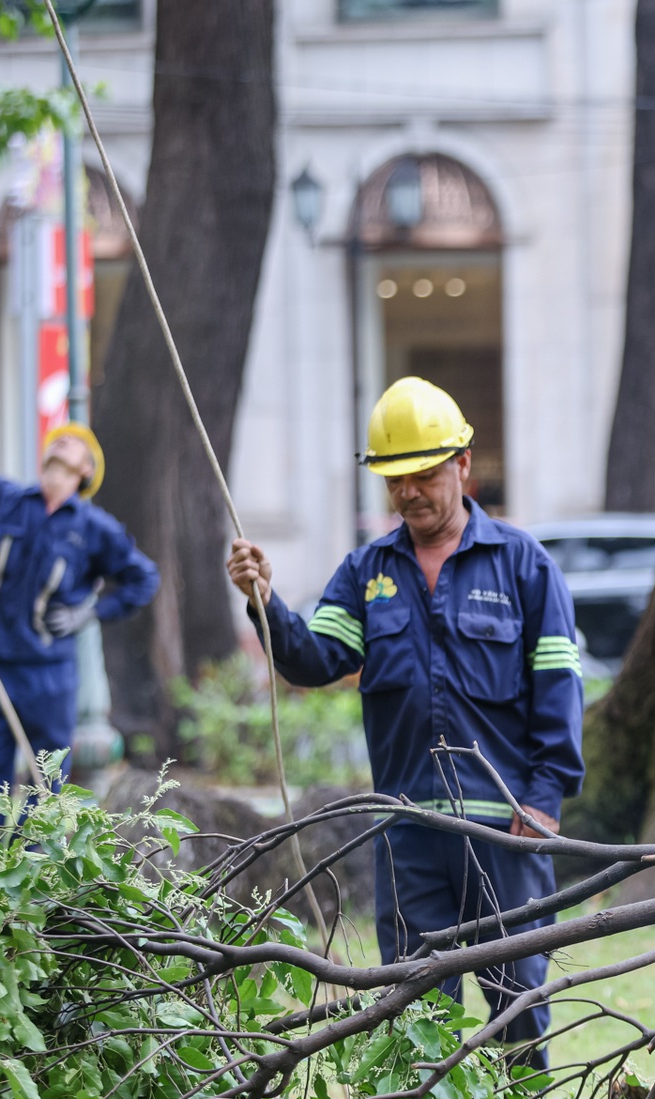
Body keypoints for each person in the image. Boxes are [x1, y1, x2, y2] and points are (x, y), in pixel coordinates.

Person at [225, 377, 584, 1061]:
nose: (409, 491)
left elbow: (559, 687)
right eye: (396, 479)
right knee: (416, 1006)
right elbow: (312, 658)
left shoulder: (523, 565)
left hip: (504, 826)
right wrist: (264, 599)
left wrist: (543, 798)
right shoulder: (368, 572)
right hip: (408, 825)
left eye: (423, 474)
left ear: (463, 465)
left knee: (519, 1001)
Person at [0, 399, 159, 817]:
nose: (62, 444)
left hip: (49, 675)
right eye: (58, 440)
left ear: (86, 470)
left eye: (74, 443)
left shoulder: (94, 529)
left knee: (47, 781)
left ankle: (39, 873)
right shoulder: (3, 500)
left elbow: (144, 579)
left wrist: (89, 614)